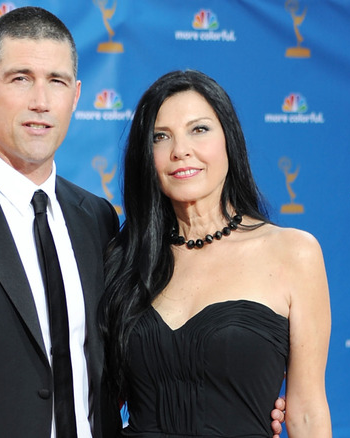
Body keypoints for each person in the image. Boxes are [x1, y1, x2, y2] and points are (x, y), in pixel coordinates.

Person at [0, 7, 286, 438]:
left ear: (75, 96)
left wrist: (233, 399)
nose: (40, 101)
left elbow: (131, 370)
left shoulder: (96, 219)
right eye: (20, 79)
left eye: (55, 82)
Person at [100, 70, 332, 438]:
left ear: (229, 141)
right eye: (161, 137)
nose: (180, 150)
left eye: (199, 129)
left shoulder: (294, 253)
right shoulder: (125, 258)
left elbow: (306, 412)